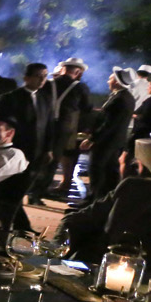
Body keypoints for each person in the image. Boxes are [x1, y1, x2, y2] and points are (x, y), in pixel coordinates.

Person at [0, 62, 54, 203]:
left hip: (37, 148)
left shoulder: (45, 98)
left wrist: (48, 148)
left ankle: (19, 204)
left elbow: (49, 125)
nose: (42, 80)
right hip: (17, 147)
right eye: (38, 76)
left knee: (28, 181)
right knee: (12, 184)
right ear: (26, 78)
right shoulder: (11, 98)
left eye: (45, 76)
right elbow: (1, 124)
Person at [80, 68, 137, 201]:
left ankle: (92, 200)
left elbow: (108, 124)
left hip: (106, 141)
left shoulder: (119, 99)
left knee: (97, 170)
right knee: (110, 172)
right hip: (116, 141)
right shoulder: (127, 97)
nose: (108, 81)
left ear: (116, 82)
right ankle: (106, 200)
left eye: (111, 79)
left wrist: (92, 139)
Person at [44, 57, 92, 199]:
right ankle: (61, 186)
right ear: (78, 72)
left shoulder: (48, 83)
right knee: (63, 156)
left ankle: (38, 187)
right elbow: (87, 108)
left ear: (63, 69)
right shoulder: (80, 87)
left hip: (45, 124)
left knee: (44, 156)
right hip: (66, 128)